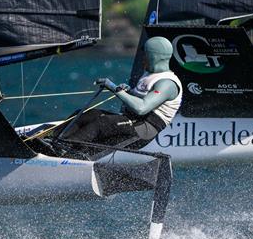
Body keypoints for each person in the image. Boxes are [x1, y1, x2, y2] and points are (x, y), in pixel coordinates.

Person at [53, 36, 182, 158]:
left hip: (144, 129)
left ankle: (64, 148)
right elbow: (141, 98)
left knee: (102, 123)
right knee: (89, 114)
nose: (143, 59)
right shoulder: (149, 74)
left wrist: (115, 89)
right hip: (132, 120)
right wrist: (128, 91)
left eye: (146, 56)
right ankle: (54, 139)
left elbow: (142, 108)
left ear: (155, 57)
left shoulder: (167, 83)